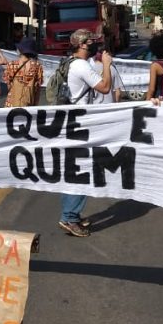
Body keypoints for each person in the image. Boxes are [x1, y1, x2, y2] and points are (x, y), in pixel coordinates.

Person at [58, 29, 114, 237]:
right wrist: (107, 65)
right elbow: (105, 87)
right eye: (90, 40)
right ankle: (70, 217)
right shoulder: (81, 65)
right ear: (82, 44)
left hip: (71, 122)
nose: (94, 43)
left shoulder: (71, 62)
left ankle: (70, 213)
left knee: (73, 171)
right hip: (79, 125)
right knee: (81, 172)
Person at [3, 37, 44, 108]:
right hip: (29, 105)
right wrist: (35, 105)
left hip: (12, 103)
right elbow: (37, 89)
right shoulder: (37, 66)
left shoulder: (11, 65)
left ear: (21, 50)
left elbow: (9, 86)